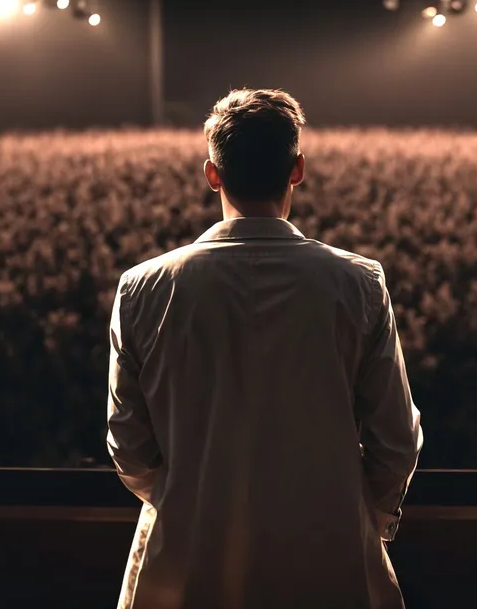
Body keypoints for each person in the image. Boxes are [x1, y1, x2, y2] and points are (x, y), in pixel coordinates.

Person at [106, 88, 423, 609]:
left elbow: (128, 446)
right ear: (297, 168)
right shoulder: (359, 283)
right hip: (329, 559)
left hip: (184, 570)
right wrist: (366, 520)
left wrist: (194, 498)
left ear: (212, 174)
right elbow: (395, 441)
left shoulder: (142, 288)